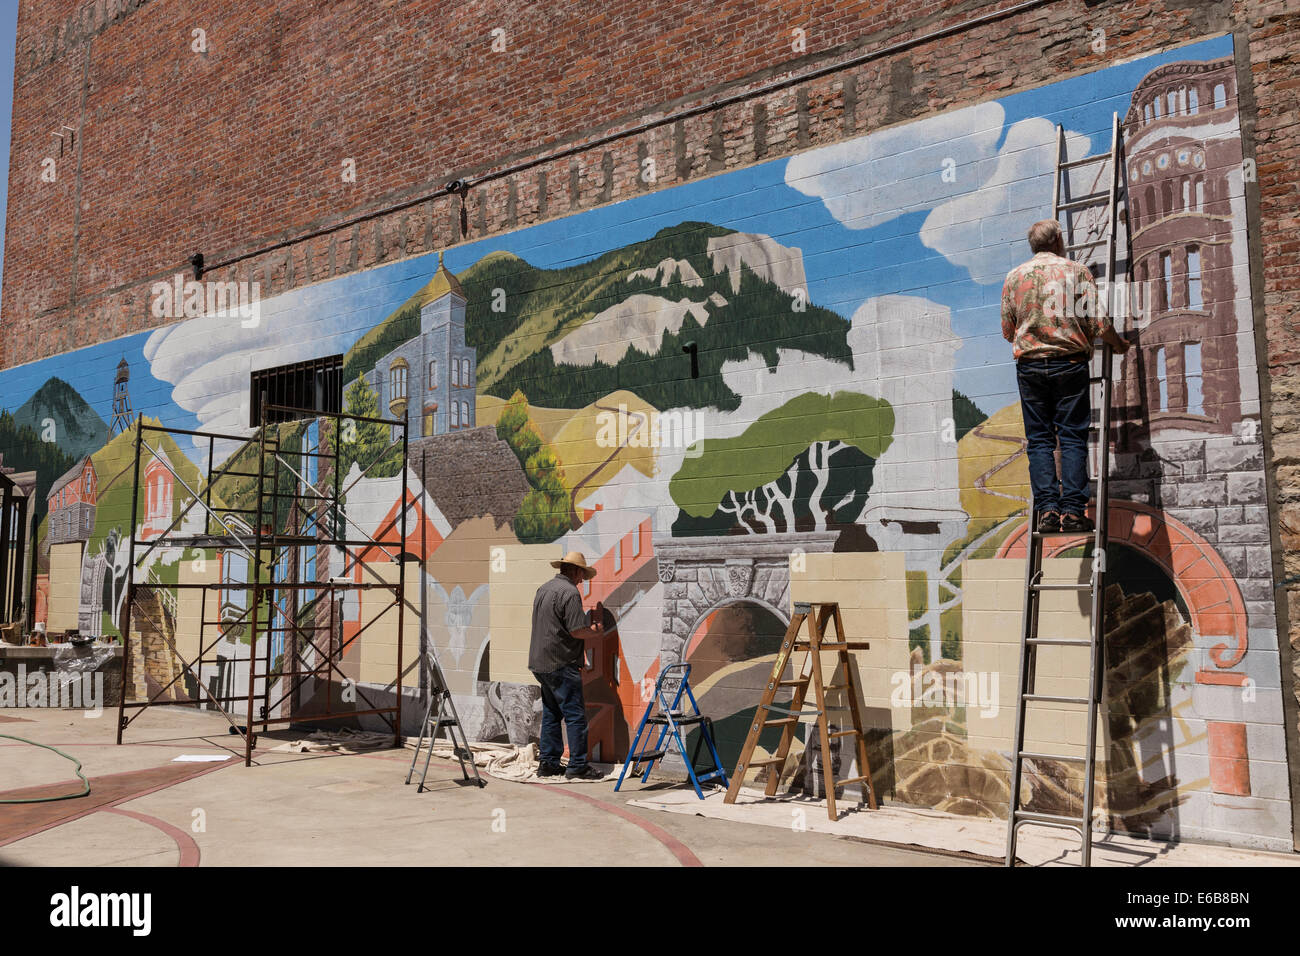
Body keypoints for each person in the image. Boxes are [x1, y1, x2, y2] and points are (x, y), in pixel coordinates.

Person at [1001, 219, 1130, 534]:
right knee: (1072, 437)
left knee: (1040, 440)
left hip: (1030, 365)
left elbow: (1008, 331)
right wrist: (1120, 344)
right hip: (1069, 363)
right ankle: (1072, 511)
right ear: (1058, 239)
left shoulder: (1014, 277)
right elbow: (1098, 323)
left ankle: (1047, 510)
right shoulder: (1077, 272)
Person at [528, 551, 606, 780]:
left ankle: (549, 763)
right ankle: (578, 766)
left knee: (552, 713)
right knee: (575, 716)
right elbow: (575, 630)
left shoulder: (544, 589)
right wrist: (596, 631)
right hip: (561, 663)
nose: (582, 579)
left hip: (540, 663)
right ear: (576, 571)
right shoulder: (570, 593)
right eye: (582, 573)